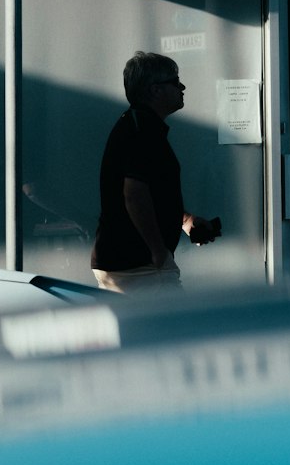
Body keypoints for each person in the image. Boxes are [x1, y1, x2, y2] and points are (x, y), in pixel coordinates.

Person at [91, 51, 219, 293]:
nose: (182, 86)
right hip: (139, 265)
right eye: (174, 81)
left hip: (130, 262)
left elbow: (150, 192)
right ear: (155, 90)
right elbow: (134, 195)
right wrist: (158, 253)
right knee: (175, 329)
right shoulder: (142, 131)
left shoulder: (140, 126)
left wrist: (186, 221)